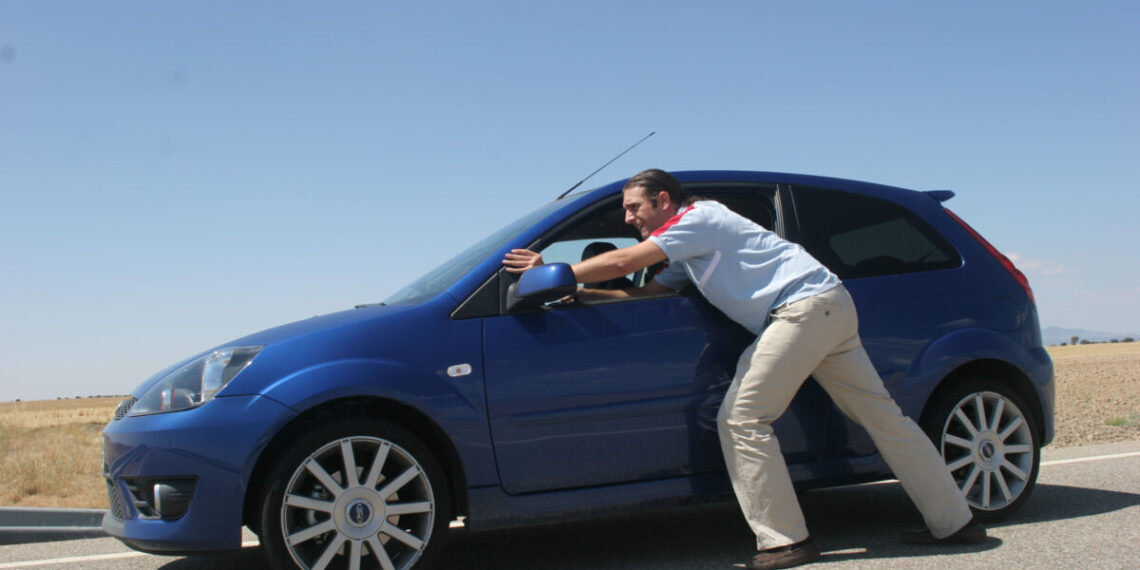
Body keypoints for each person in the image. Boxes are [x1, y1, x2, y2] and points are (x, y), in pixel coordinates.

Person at [503, 169, 986, 570]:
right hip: (826, 306)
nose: (628, 218)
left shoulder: (700, 219)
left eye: (634, 208)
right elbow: (649, 291)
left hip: (801, 309)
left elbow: (627, 260)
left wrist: (555, 269)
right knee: (884, 417)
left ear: (664, 200)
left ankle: (785, 540)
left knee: (741, 418)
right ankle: (955, 520)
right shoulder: (688, 246)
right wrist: (581, 294)